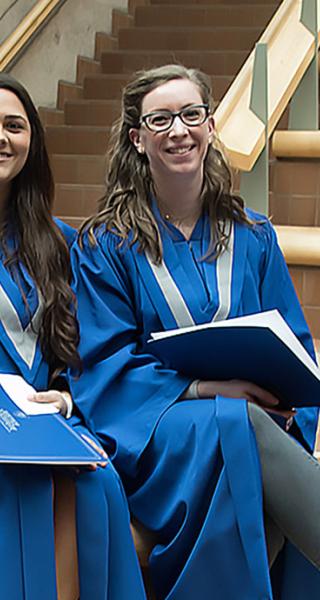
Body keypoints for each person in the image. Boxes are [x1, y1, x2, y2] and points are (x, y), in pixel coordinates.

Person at [69, 64, 320, 599]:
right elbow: (104, 364)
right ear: (137, 138)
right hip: (158, 431)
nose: (178, 130)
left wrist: (292, 397)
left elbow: (295, 341)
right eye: (160, 120)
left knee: (255, 430)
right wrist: (205, 389)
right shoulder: (104, 247)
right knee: (242, 422)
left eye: (191, 114)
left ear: (209, 127)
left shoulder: (254, 236)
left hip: (252, 418)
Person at [0, 73, 146, 600]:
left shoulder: (61, 243)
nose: (2, 137)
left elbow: (86, 350)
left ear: (31, 142)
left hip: (46, 424)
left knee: (94, 479)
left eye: (14, 126)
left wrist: (66, 395)